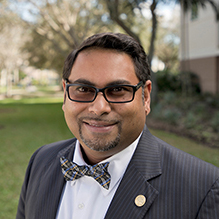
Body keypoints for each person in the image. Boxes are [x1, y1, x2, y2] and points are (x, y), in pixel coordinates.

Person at [16, 32, 219, 219]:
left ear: (145, 97)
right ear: (65, 93)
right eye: (83, 89)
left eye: (118, 89)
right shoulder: (40, 161)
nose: (98, 108)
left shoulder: (203, 188)